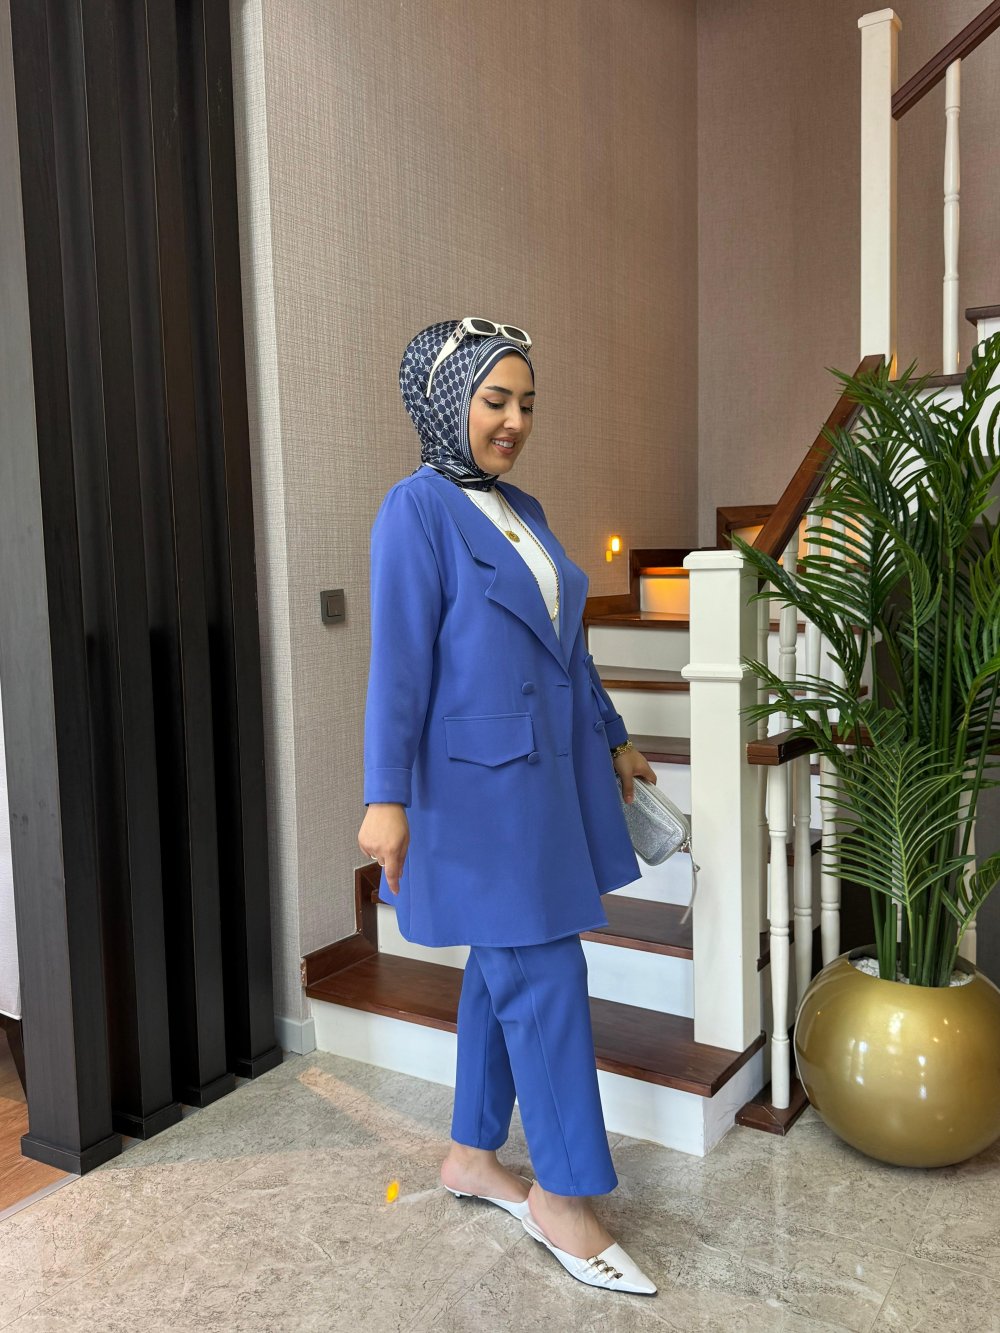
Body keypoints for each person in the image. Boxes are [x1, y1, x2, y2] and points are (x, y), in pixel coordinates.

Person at [357, 318, 658, 1295]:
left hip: (547, 775)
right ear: (450, 401)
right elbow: (398, 666)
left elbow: (567, 643)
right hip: (476, 793)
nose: (516, 421)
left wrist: (612, 734)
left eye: (526, 403)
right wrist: (384, 795)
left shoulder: (522, 507)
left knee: (505, 966)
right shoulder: (415, 510)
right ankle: (564, 1196)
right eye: (496, 400)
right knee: (543, 968)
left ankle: (471, 1155)